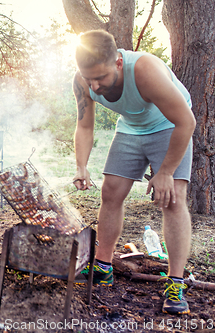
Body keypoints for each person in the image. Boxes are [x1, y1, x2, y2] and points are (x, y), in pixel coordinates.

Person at [72, 30, 195, 315]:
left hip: (169, 124)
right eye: (88, 77)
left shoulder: (144, 69)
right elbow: (85, 125)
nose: (94, 85)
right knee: (111, 191)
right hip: (131, 127)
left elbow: (185, 121)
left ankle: (175, 282)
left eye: (100, 77)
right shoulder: (83, 80)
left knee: (173, 197)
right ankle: (103, 266)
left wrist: (165, 172)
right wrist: (81, 165)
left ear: (117, 62)